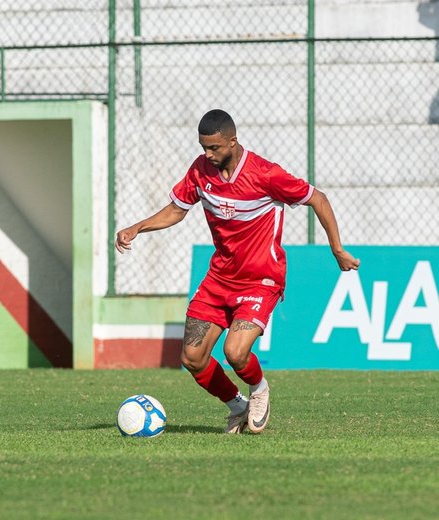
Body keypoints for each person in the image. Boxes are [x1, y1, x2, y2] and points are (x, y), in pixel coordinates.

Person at [115, 109, 360, 434]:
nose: (207, 154)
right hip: (219, 278)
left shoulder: (266, 174)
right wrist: (138, 227)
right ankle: (237, 406)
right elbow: (178, 209)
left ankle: (259, 390)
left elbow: (318, 198)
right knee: (192, 358)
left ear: (233, 141)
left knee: (235, 351)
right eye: (203, 147)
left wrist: (337, 249)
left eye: (214, 148)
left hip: (261, 279)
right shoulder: (201, 171)